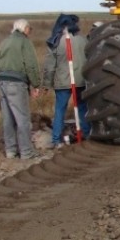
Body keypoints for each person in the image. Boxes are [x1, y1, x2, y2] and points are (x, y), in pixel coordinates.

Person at [42, 13, 91, 149]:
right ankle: (86, 134)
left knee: (60, 111)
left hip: (62, 83)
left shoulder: (55, 42)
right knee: (82, 109)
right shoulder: (83, 41)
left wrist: (46, 84)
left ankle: (56, 140)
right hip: (81, 81)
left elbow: (50, 66)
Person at [0, 18, 42, 159]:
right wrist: (36, 84)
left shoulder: (4, 42)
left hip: (1, 82)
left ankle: (10, 151)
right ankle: (27, 152)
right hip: (16, 84)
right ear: (24, 29)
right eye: (30, 29)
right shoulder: (24, 42)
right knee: (22, 119)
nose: (30, 31)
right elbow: (31, 65)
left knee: (8, 119)